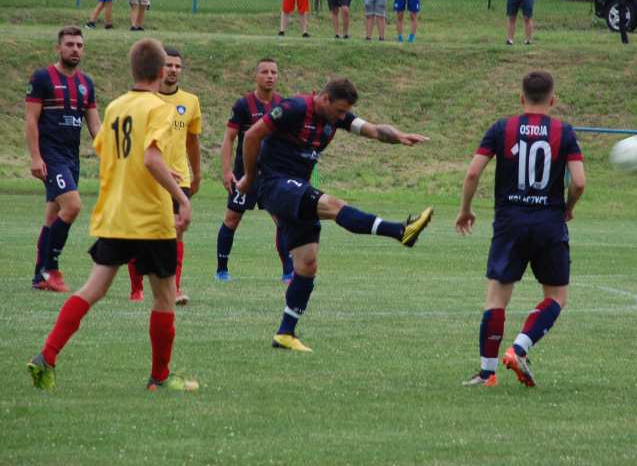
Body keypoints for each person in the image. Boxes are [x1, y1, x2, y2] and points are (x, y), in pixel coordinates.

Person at [27, 38, 197, 393]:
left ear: (134, 69)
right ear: (161, 70)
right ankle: (159, 378)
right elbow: (152, 159)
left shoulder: (117, 106)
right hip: (151, 217)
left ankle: (46, 357)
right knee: (165, 297)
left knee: (92, 289)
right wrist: (181, 197)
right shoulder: (160, 108)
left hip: (116, 215)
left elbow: (105, 151)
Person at [236, 78, 433, 352]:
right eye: (340, 111)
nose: (343, 117)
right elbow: (252, 135)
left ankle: (285, 334)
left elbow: (374, 130)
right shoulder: (293, 108)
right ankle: (400, 232)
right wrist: (248, 177)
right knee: (334, 205)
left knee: (307, 264)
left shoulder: (334, 116)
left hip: (297, 187)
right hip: (274, 183)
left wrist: (399, 136)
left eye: (345, 113)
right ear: (325, 99)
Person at [456, 71, 586, 388]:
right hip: (549, 223)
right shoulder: (563, 131)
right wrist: (568, 207)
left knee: (496, 299)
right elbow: (579, 181)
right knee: (556, 297)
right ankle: (519, 347)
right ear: (552, 100)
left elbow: (473, 174)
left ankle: (487, 374)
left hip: (509, 222)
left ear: (521, 98)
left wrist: (465, 209)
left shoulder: (502, 128)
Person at [26, 26, 101, 292]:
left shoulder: (85, 83)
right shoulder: (43, 78)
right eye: (69, 44)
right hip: (51, 156)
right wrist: (36, 157)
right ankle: (52, 269)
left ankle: (39, 277)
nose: (75, 49)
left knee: (52, 216)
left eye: (79, 45)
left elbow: (95, 126)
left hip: (71, 158)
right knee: (73, 206)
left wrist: (111, 155)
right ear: (58, 48)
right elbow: (31, 120)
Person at [128, 46, 201, 305]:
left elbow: (192, 141)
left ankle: (175, 288)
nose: (173, 70)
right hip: (147, 175)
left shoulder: (190, 101)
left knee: (175, 233)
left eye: (177, 66)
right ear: (160, 69)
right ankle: (136, 289)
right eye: (168, 65)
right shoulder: (143, 100)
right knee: (141, 234)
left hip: (178, 177)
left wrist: (197, 173)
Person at [215, 58, 293, 284]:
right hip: (245, 174)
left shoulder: (283, 105)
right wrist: (227, 171)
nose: (270, 76)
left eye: (274, 72)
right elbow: (229, 139)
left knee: (282, 221)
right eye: (265, 72)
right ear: (256, 76)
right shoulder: (243, 105)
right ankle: (221, 270)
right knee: (232, 219)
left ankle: (288, 272)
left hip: (273, 175)